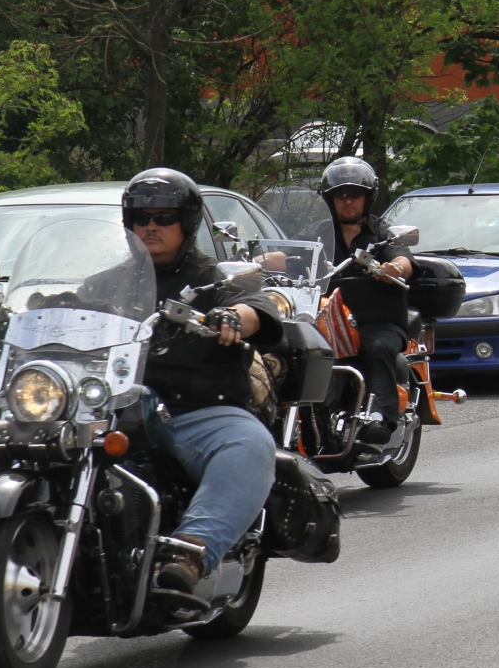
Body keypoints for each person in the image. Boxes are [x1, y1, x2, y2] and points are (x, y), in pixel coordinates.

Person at [120, 168, 283, 596]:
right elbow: (66, 307)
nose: (150, 225)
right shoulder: (111, 282)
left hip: (195, 413)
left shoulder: (213, 278)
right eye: (140, 217)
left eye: (164, 217)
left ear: (187, 222)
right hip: (118, 408)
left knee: (250, 444)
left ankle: (191, 551)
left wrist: (234, 316)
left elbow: (256, 306)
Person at [306, 157, 415, 442]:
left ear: (368, 197)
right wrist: (263, 260)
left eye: (355, 194)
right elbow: (291, 254)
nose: (348, 200)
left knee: (377, 347)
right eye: (340, 195)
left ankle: (380, 417)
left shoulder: (383, 234)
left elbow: (403, 259)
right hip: (327, 322)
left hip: (377, 322)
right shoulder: (317, 234)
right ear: (329, 199)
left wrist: (395, 268)